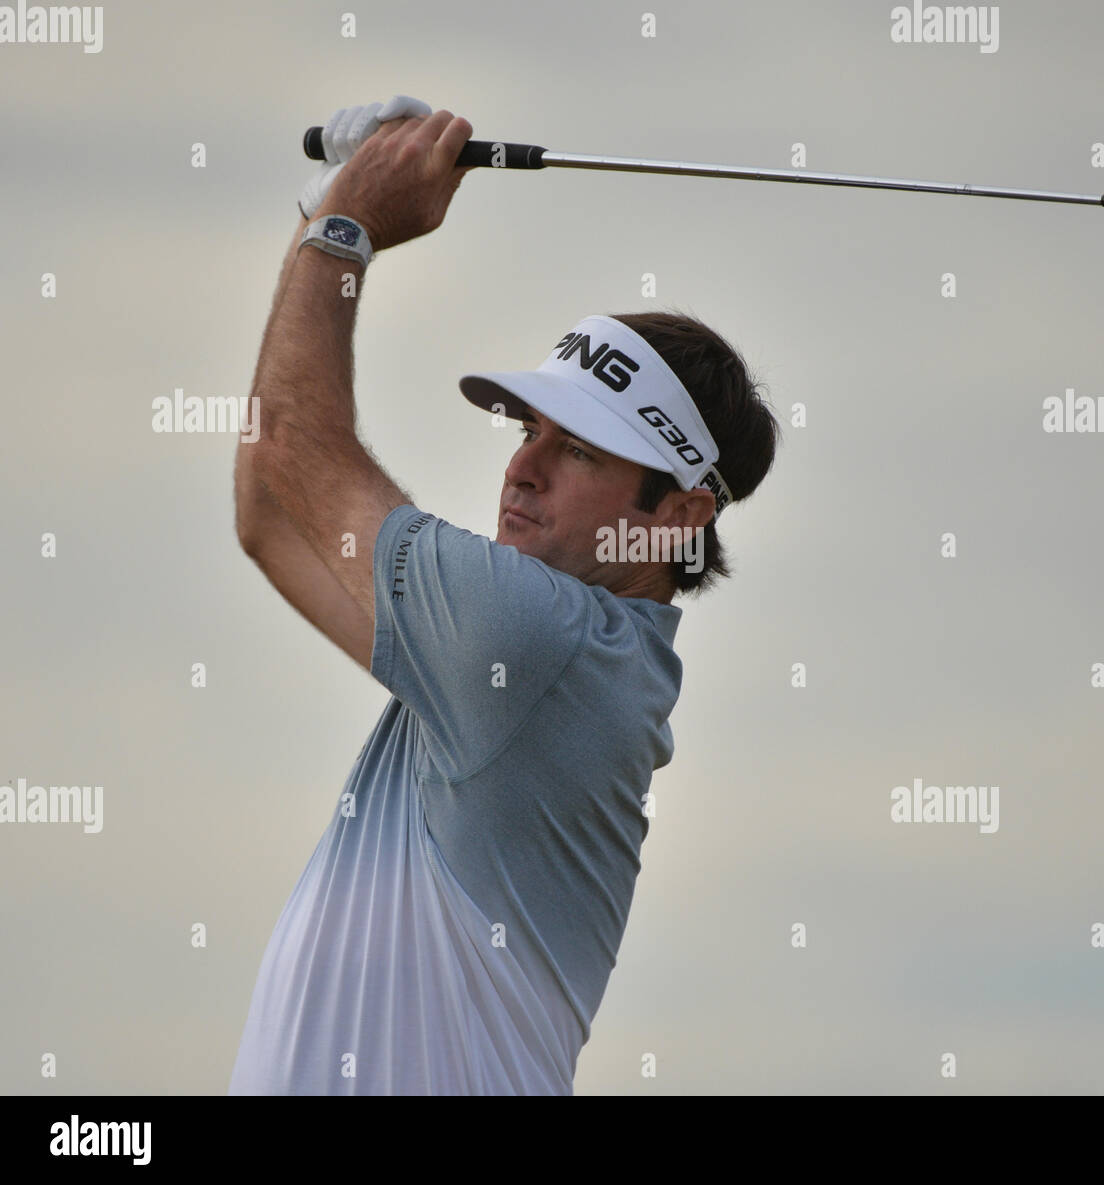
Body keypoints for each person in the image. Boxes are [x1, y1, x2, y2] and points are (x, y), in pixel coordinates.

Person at [228, 97, 781, 1094]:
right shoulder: (514, 658)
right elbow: (271, 513)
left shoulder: (533, 641)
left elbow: (294, 457)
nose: (523, 469)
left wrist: (345, 230)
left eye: (575, 450)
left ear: (676, 514)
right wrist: (324, 218)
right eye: (526, 430)